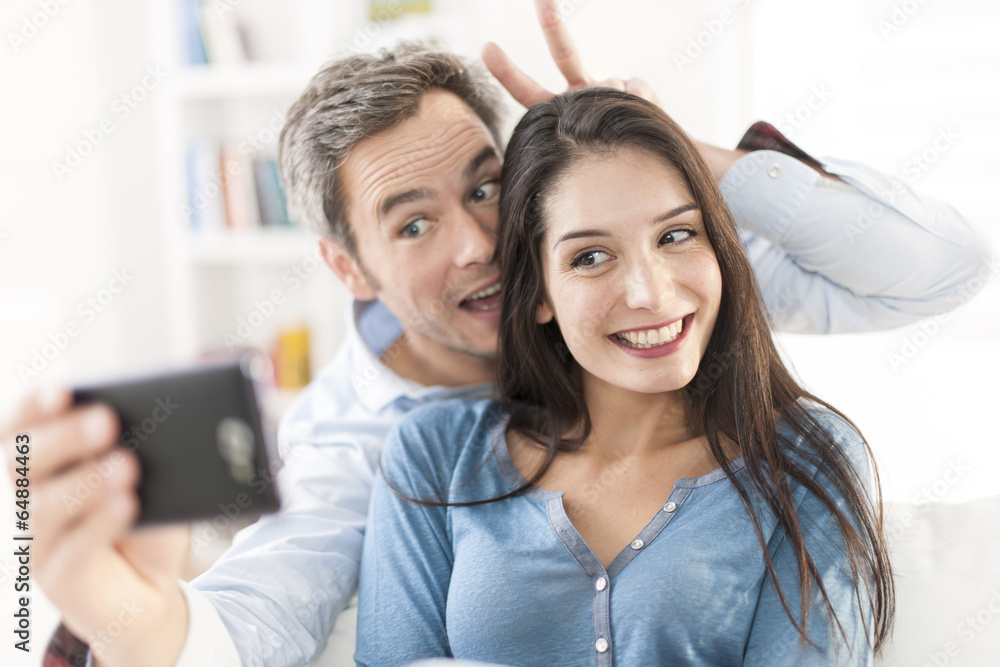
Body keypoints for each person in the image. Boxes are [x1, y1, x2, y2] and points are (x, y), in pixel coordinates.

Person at [2, 1, 990, 665]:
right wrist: (113, 605)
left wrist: (666, 153)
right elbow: (255, 613)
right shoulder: (376, 444)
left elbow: (938, 268)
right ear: (348, 266)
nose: (483, 244)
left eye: (484, 187)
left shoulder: (645, 292)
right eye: (413, 222)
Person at [354, 87, 894, 666]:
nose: (651, 294)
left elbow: (954, 265)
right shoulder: (434, 455)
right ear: (537, 293)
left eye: (676, 235)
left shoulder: (804, 458)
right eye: (589, 257)